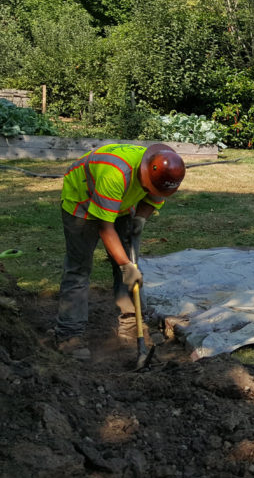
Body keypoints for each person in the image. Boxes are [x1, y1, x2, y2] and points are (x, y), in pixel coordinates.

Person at [54, 143, 185, 361]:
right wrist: (125, 265)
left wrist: (140, 217)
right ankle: (69, 334)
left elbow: (154, 198)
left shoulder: (163, 172)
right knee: (79, 268)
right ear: (143, 173)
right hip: (81, 202)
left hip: (120, 203)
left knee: (130, 266)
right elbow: (105, 227)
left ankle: (132, 326)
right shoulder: (115, 174)